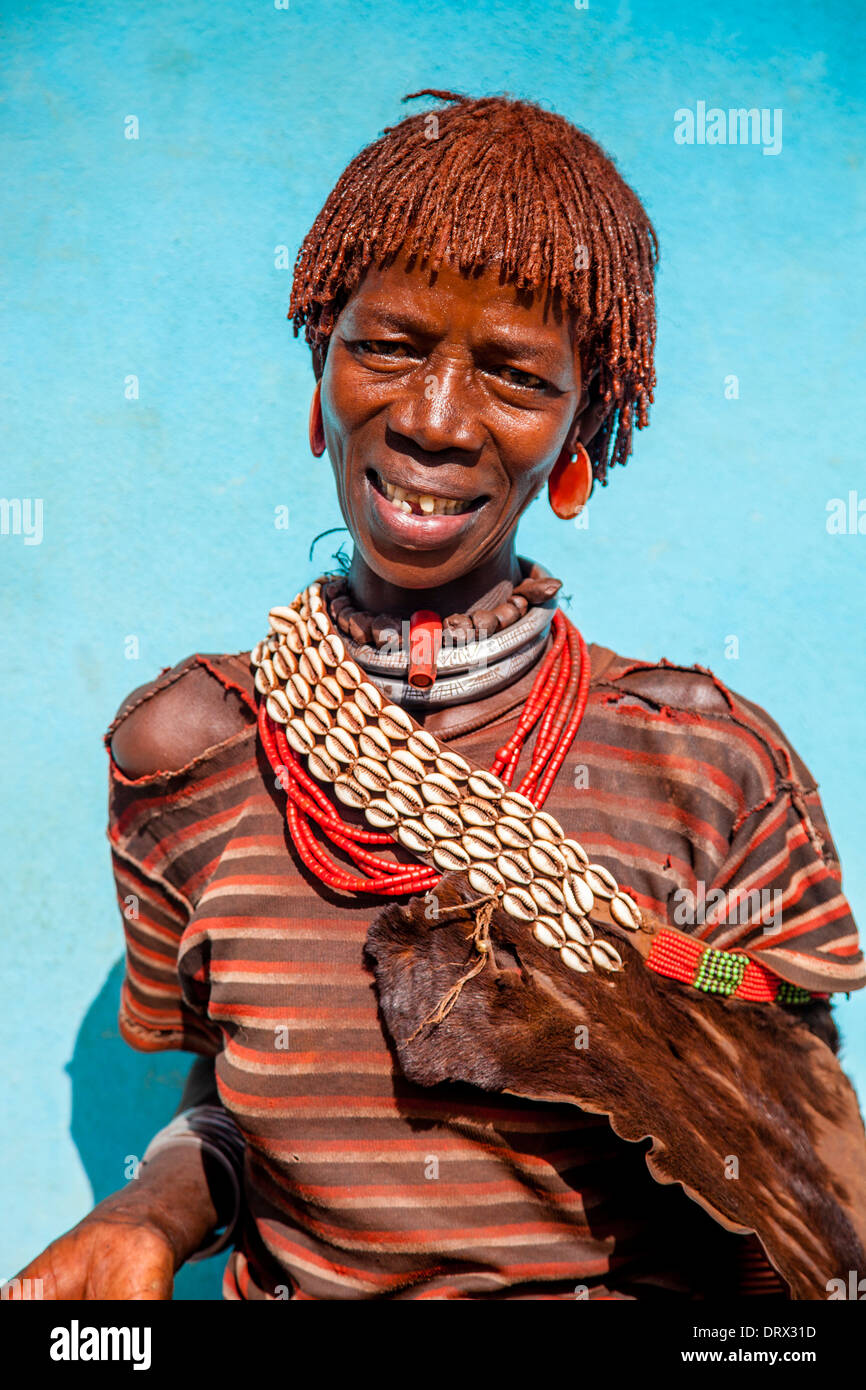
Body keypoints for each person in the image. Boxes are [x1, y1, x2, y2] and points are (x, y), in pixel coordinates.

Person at [12, 91, 866, 1302]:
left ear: (583, 429)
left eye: (514, 375)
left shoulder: (707, 765)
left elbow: (795, 1171)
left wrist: (648, 969)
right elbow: (227, 1097)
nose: (432, 419)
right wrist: (150, 1213)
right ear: (321, 374)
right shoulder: (188, 751)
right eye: (389, 346)